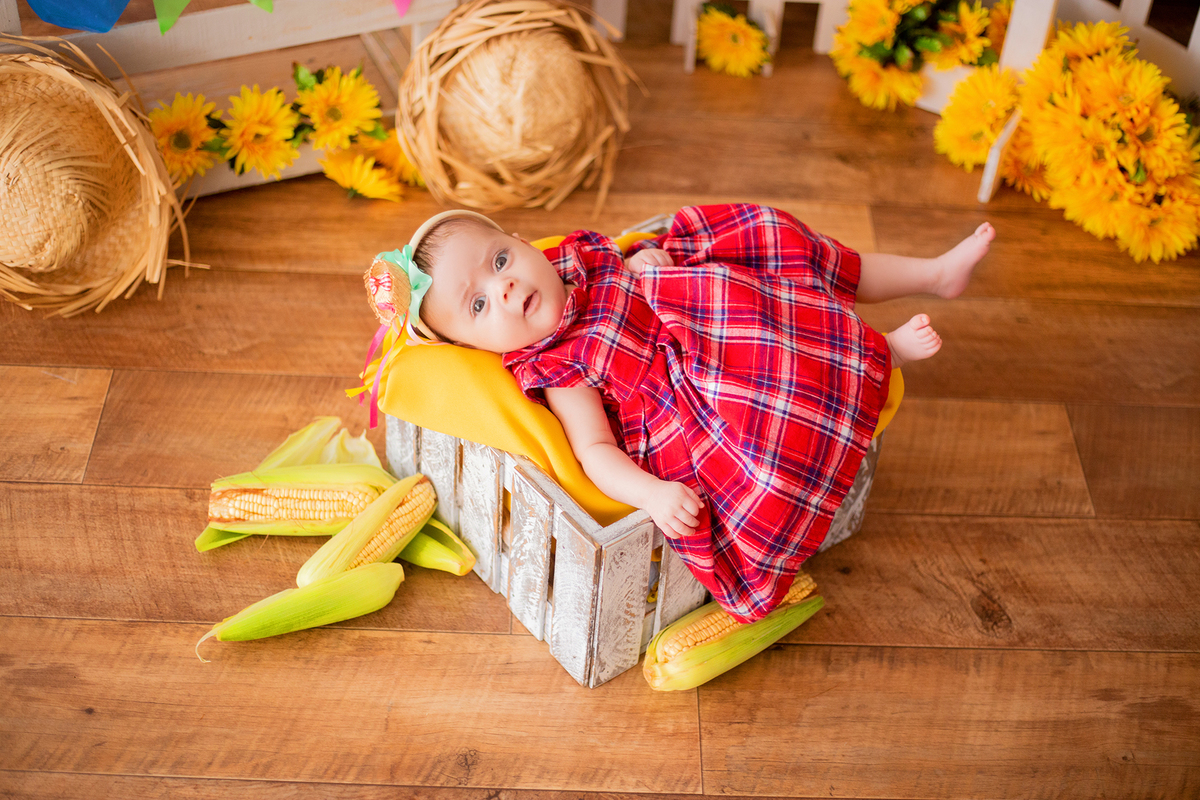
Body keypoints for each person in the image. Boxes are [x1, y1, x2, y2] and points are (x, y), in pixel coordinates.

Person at [392, 204, 993, 622]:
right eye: (477, 305)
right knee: (770, 389)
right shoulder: (558, 366)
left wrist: (646, 260)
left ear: (523, 242)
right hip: (699, 389)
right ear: (477, 348)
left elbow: (629, 262)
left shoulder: (580, 261)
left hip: (715, 307)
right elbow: (595, 453)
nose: (501, 287)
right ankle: (878, 352)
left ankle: (934, 273)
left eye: (500, 260)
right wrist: (651, 494)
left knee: (781, 244)